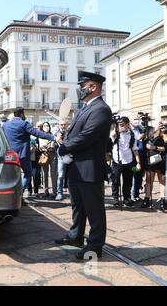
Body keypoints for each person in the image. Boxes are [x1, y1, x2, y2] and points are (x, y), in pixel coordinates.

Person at [55, 71, 112, 260]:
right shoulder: (85, 108)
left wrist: (65, 147)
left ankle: (95, 246)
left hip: (89, 168)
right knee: (77, 205)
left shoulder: (101, 109)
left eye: (83, 86)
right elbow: (75, 132)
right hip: (76, 167)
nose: (80, 90)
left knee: (94, 209)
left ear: (93, 87)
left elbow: (88, 135)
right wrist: (63, 139)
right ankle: (75, 236)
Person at [3, 108, 60, 202]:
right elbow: (37, 133)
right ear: (21, 114)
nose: (24, 115)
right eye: (24, 113)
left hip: (10, 155)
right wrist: (53, 137)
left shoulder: (5, 125)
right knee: (28, 173)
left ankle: (10, 196)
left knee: (12, 177)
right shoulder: (24, 124)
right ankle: (19, 194)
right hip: (23, 155)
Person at [110, 117, 142, 208]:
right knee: (115, 180)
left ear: (128, 124)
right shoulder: (115, 133)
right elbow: (112, 134)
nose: (120, 127)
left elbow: (135, 150)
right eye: (119, 125)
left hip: (129, 161)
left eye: (122, 125)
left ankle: (126, 199)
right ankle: (115, 198)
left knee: (128, 181)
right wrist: (115, 128)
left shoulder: (132, 135)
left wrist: (138, 163)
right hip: (117, 161)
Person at [141, 121, 166, 209]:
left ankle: (163, 200)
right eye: (160, 123)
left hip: (160, 161)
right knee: (148, 181)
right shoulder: (151, 133)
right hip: (150, 161)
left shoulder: (165, 135)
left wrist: (154, 147)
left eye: (163, 124)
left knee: (161, 181)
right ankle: (147, 199)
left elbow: (164, 148)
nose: (161, 125)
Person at [130, 115, 147, 203]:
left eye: (138, 119)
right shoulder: (128, 130)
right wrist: (137, 138)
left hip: (141, 155)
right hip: (132, 156)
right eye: (135, 119)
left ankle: (136, 194)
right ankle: (130, 195)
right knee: (132, 174)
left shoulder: (140, 129)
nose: (137, 121)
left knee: (139, 176)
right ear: (130, 121)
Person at [39, 122, 58, 198]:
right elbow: (40, 147)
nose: (46, 127)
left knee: (53, 174)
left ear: (50, 127)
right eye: (44, 126)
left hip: (53, 154)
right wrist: (46, 146)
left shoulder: (53, 135)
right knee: (44, 174)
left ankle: (54, 192)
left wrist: (50, 146)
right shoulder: (40, 135)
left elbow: (54, 145)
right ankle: (45, 191)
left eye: (47, 126)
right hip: (44, 155)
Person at [54, 119, 70, 201]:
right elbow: (55, 145)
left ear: (67, 125)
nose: (63, 126)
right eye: (61, 125)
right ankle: (59, 193)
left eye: (64, 124)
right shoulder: (57, 134)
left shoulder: (71, 132)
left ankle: (72, 193)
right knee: (60, 175)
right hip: (61, 157)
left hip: (70, 156)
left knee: (71, 176)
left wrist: (63, 142)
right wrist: (57, 141)